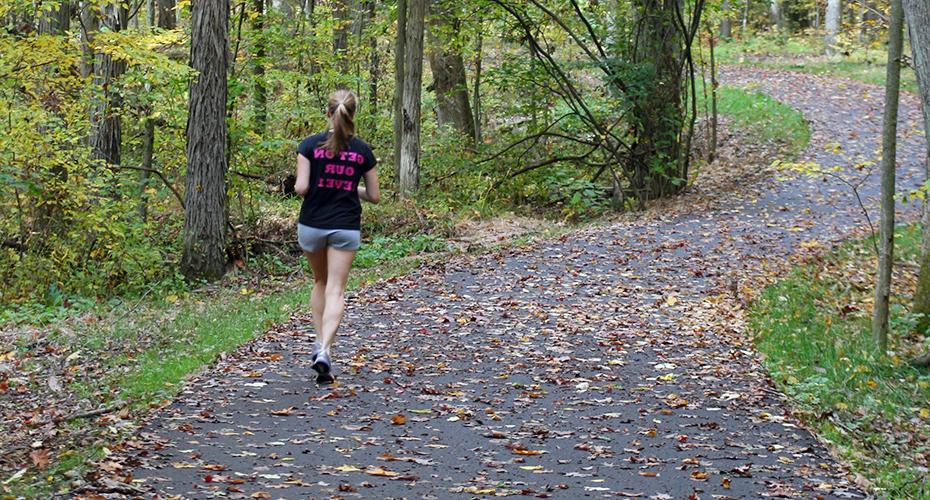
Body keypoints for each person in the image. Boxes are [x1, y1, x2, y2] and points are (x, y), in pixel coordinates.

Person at [294, 90, 379, 384]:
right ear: (352, 115)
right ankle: (326, 349)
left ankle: (320, 345)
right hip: (345, 226)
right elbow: (375, 195)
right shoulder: (363, 151)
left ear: (328, 114)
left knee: (320, 281)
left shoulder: (308, 145)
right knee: (336, 289)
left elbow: (302, 188)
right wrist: (349, 187)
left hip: (312, 224)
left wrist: (318, 182)